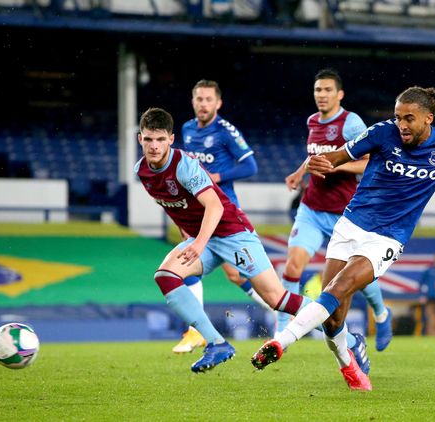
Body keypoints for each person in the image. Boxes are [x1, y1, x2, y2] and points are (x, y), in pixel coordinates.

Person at [251, 86, 435, 391]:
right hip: (350, 225)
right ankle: (349, 364)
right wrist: (323, 163)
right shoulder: (381, 133)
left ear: (428, 118)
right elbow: (340, 155)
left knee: (340, 287)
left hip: (387, 238)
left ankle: (280, 343)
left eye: (409, 118)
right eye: (398, 117)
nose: (401, 124)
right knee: (333, 319)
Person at [135, 107, 369, 373]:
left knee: (277, 299)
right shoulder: (142, 170)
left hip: (233, 232)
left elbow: (215, 207)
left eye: (160, 139)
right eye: (149, 139)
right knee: (166, 275)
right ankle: (216, 344)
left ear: (171, 139)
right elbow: (175, 205)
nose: (154, 146)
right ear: (139, 139)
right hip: (206, 238)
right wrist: (188, 235)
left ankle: (350, 340)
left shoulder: (184, 165)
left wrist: (196, 244)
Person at [278, 68, 393, 352]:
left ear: (339, 94)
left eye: (328, 90)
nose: (322, 95)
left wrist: (337, 164)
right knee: (293, 265)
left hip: (345, 214)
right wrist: (299, 173)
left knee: (356, 279)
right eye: (318, 90)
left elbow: (369, 162)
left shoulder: (351, 123)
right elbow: (315, 156)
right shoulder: (312, 121)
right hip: (311, 209)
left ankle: (381, 314)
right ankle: (281, 330)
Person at [173, 79, 270, 354]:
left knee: (240, 276)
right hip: (197, 212)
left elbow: (250, 166)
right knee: (186, 263)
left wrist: (217, 176)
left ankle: (283, 313)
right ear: (193, 102)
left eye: (208, 100)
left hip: (224, 214)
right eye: (199, 99)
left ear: (218, 103)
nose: (203, 104)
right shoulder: (188, 129)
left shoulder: (226, 131)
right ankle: (195, 332)